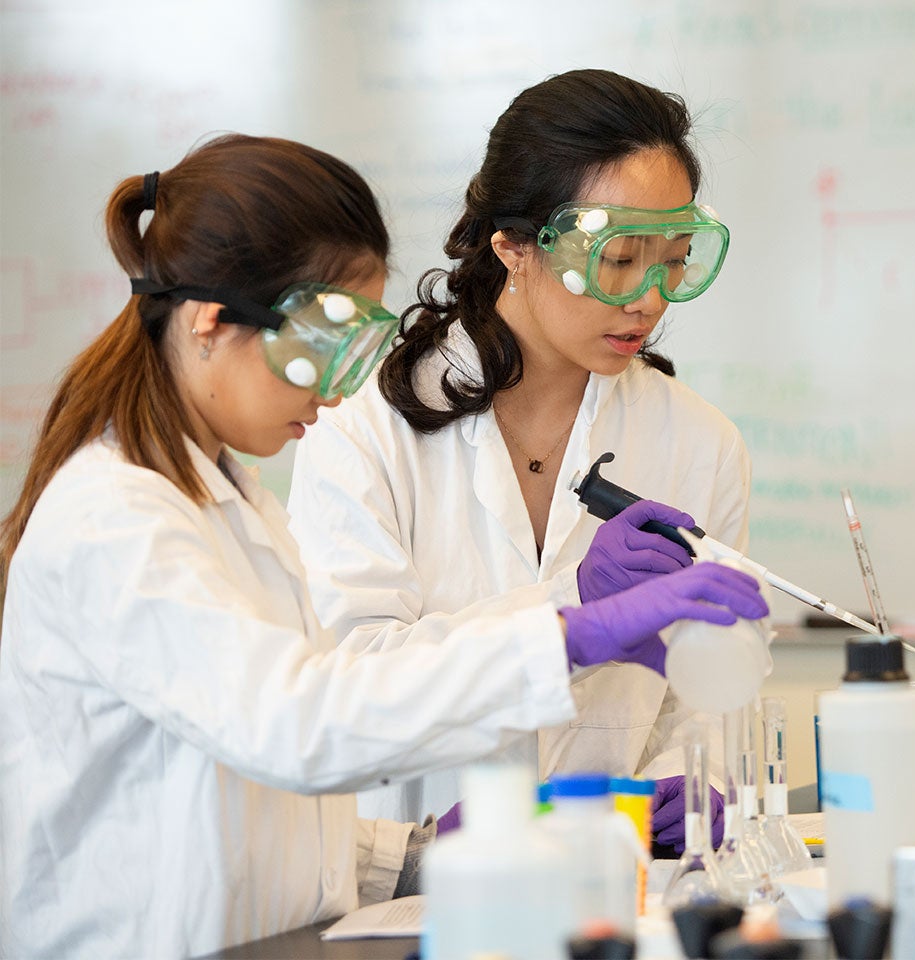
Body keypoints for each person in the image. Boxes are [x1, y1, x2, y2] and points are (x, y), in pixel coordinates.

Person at [0, 133, 768, 958]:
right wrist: (566, 633)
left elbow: (262, 798)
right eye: (318, 347)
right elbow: (297, 725)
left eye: (353, 347)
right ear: (209, 323)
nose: (335, 392)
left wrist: (414, 856)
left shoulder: (230, 506)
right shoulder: (115, 521)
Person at [287, 69, 758, 849]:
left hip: (619, 872)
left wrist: (693, 773)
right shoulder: (365, 426)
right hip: (414, 878)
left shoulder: (700, 443)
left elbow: (711, 680)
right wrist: (571, 607)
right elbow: (350, 679)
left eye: (674, 259)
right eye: (618, 258)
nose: (649, 298)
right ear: (512, 246)